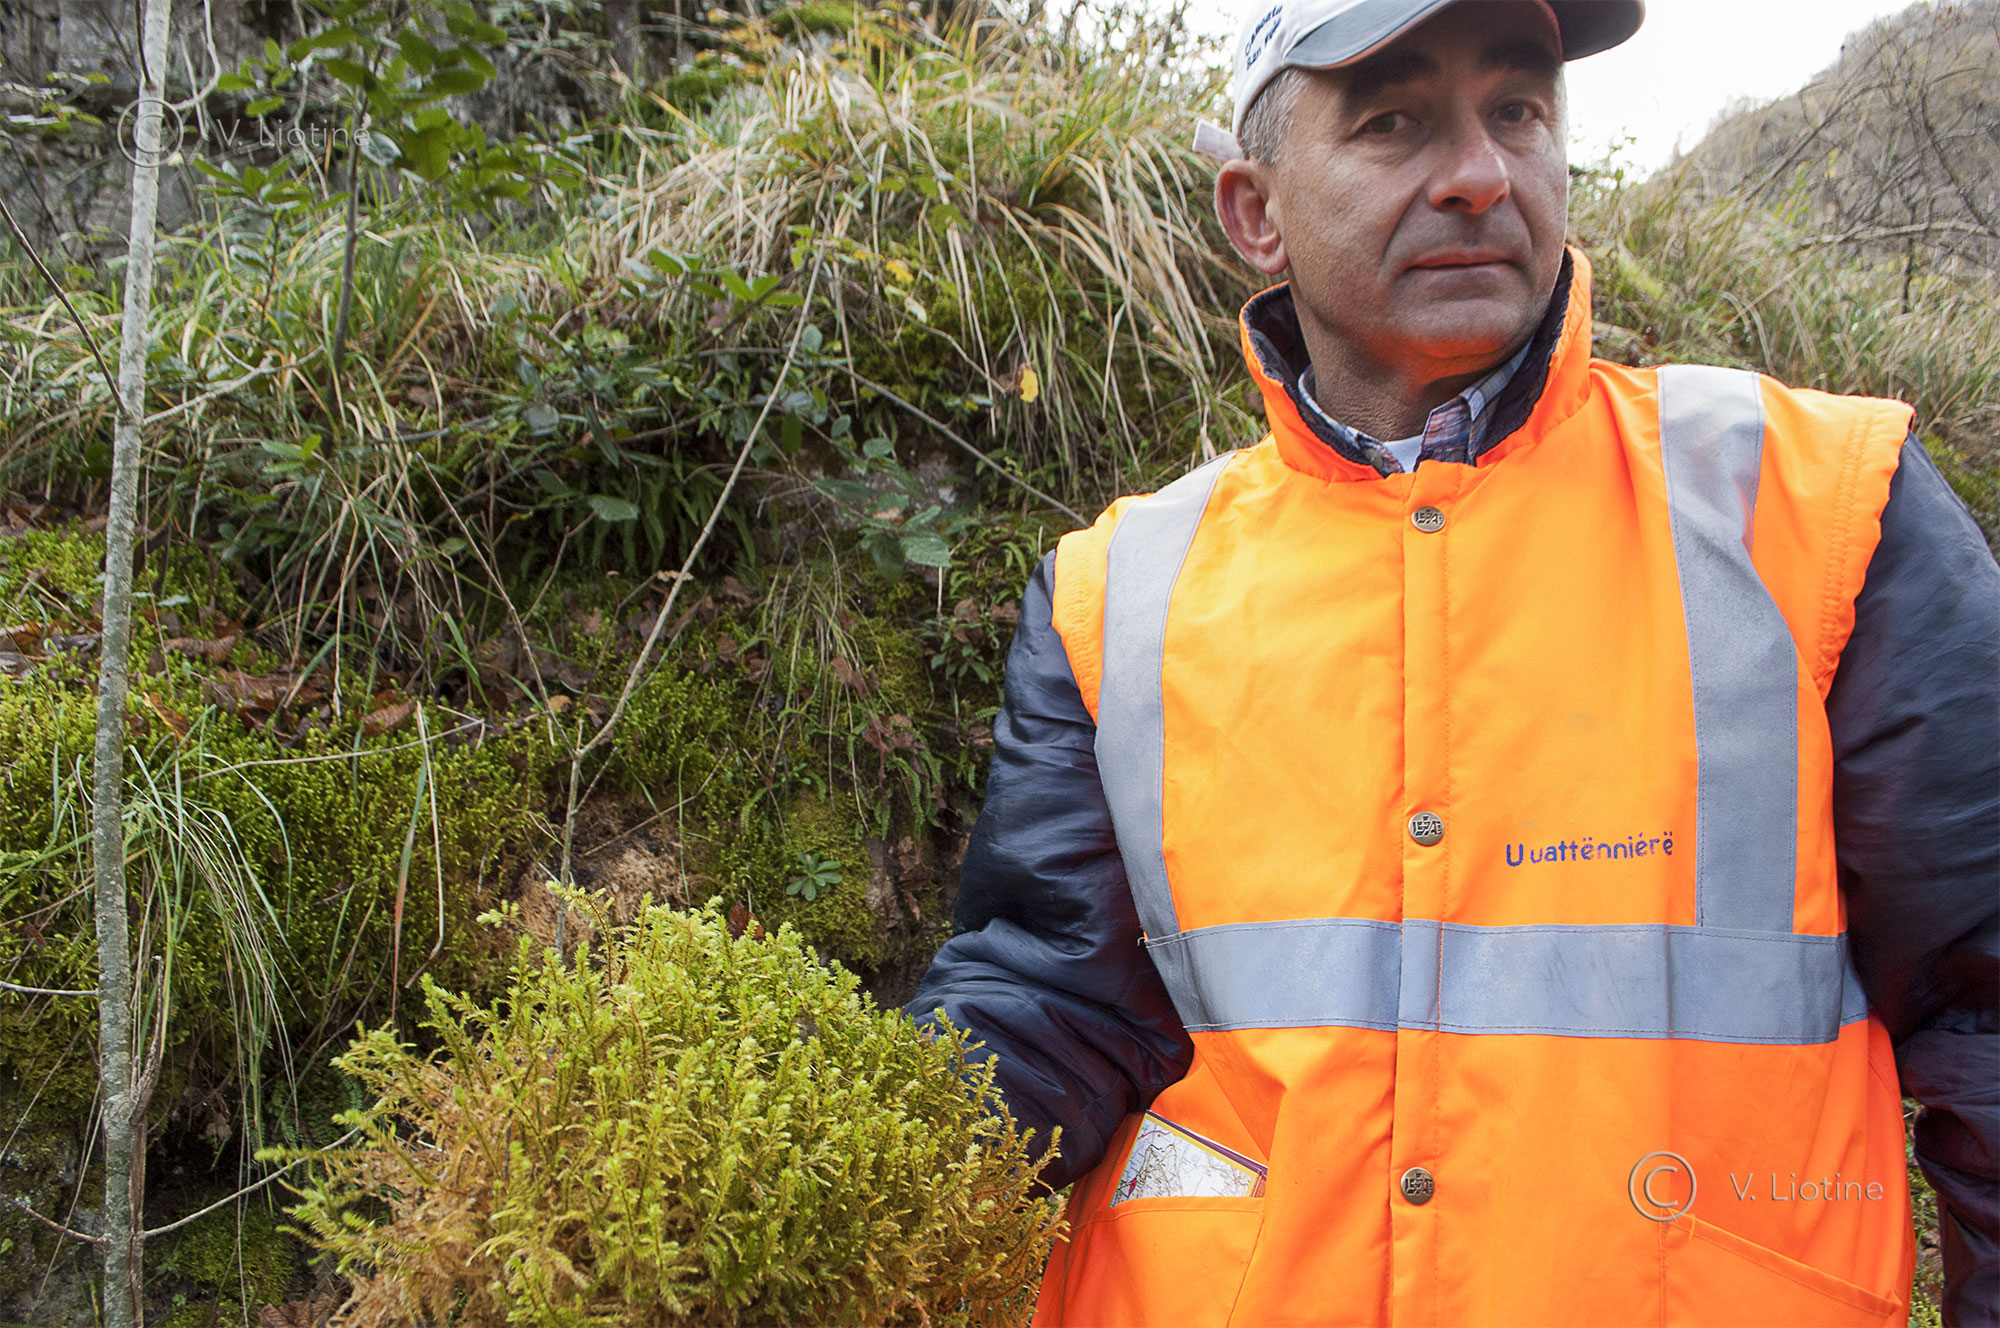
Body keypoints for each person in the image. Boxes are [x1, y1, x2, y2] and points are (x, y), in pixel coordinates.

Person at [903, 0, 2000, 1323]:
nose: (1480, 172)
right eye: (1394, 121)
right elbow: (1050, 1002)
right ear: (1255, 212)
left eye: (1518, 110)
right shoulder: (1119, 592)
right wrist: (812, 1192)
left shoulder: (1824, 510)